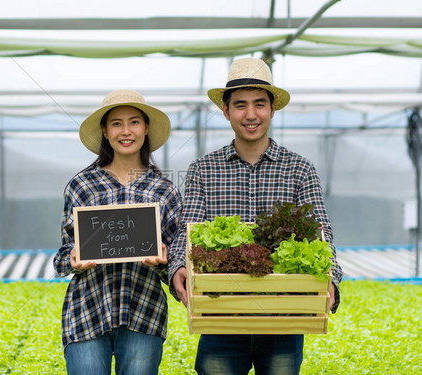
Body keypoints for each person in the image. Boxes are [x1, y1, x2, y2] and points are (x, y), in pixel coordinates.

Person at [168, 57, 344, 375]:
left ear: (272, 109)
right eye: (240, 105)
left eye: (259, 104)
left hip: (283, 315)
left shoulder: (299, 169)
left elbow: (321, 230)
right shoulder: (203, 170)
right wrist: (180, 266)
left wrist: (331, 276)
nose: (251, 115)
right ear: (226, 111)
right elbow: (189, 228)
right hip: (221, 313)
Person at [53, 89, 182, 375]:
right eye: (117, 123)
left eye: (134, 122)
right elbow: (62, 256)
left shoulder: (165, 190)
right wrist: (72, 261)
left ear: (146, 128)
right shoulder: (82, 185)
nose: (127, 131)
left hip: (143, 311)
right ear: (105, 131)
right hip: (87, 312)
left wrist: (164, 262)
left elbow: (177, 265)